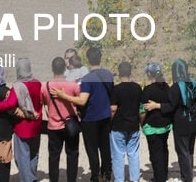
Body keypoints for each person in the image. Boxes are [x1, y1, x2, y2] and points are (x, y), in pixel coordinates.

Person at [51, 47, 114, 182]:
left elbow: (82, 100)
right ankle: (107, 174)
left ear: (88, 59)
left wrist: (63, 96)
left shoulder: (87, 78)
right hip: (105, 115)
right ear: (100, 58)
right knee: (105, 146)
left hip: (90, 118)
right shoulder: (108, 74)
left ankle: (95, 175)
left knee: (92, 149)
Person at [0, 59, 42, 182]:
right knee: (33, 154)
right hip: (36, 124)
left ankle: (28, 179)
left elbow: (9, 104)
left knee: (22, 156)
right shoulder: (37, 83)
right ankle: (32, 176)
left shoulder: (17, 86)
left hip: (23, 127)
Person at [40, 56, 81, 182]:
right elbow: (80, 101)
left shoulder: (45, 86)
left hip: (53, 126)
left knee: (53, 156)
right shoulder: (73, 85)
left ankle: (54, 180)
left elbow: (42, 103)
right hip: (71, 125)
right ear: (65, 69)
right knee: (72, 154)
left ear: (52, 69)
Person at [164, 60, 196, 182]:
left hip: (181, 122)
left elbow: (170, 106)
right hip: (193, 120)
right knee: (190, 150)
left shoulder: (175, 87)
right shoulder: (192, 82)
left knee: (182, 150)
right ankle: (188, 173)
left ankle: (186, 178)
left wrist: (158, 106)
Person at [109, 62, 142, 182]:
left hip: (118, 125)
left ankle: (119, 179)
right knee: (133, 154)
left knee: (118, 155)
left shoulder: (116, 89)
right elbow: (140, 108)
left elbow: (113, 109)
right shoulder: (137, 88)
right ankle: (134, 178)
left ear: (119, 73)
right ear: (130, 72)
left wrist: (108, 123)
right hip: (133, 125)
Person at [139, 63, 172, 182]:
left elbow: (142, 111)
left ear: (149, 74)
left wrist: (141, 124)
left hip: (152, 127)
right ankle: (164, 174)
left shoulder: (148, 90)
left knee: (155, 153)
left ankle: (159, 178)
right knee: (164, 150)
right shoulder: (167, 87)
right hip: (166, 125)